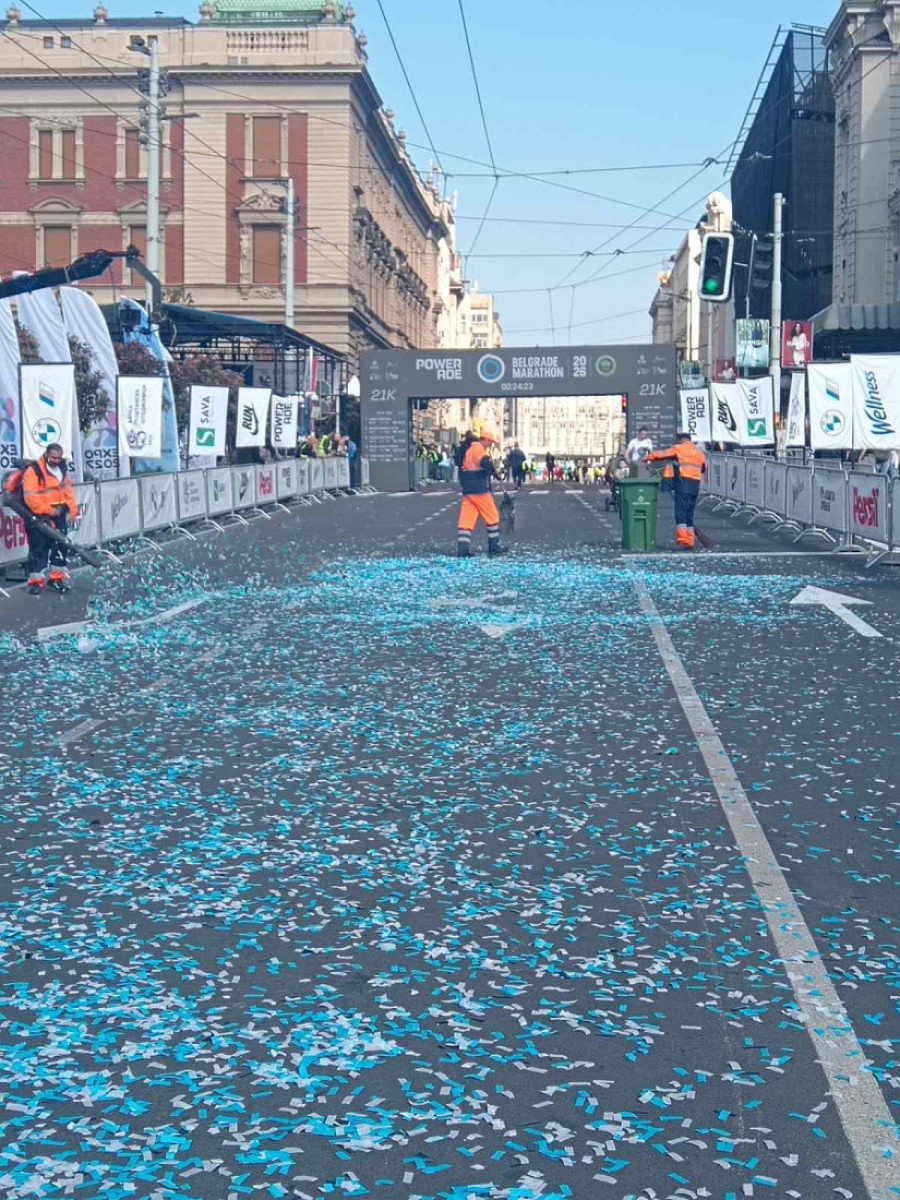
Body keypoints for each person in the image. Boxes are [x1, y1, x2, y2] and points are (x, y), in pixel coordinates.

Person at [20, 443, 79, 595]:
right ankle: (35, 582)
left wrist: (73, 511)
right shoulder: (33, 471)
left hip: (59, 513)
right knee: (38, 548)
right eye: (53, 457)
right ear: (46, 454)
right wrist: (48, 510)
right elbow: (30, 497)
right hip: (39, 516)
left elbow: (67, 492)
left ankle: (56, 578)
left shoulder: (63, 470)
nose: (56, 461)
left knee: (60, 547)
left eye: (59, 458)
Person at [647, 432, 706, 550]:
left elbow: (662, 454)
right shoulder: (699, 453)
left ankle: (684, 540)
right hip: (695, 485)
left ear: (680, 440)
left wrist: (647, 457)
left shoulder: (678, 448)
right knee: (689, 513)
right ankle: (690, 540)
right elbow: (703, 468)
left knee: (681, 512)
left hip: (683, 484)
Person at [457, 431, 506, 559]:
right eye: (490, 442)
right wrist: (495, 474)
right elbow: (485, 463)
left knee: (466, 520)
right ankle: (494, 547)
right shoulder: (478, 449)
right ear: (484, 440)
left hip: (468, 490)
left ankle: (463, 550)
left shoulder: (469, 450)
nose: (490, 445)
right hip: (479, 490)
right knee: (492, 517)